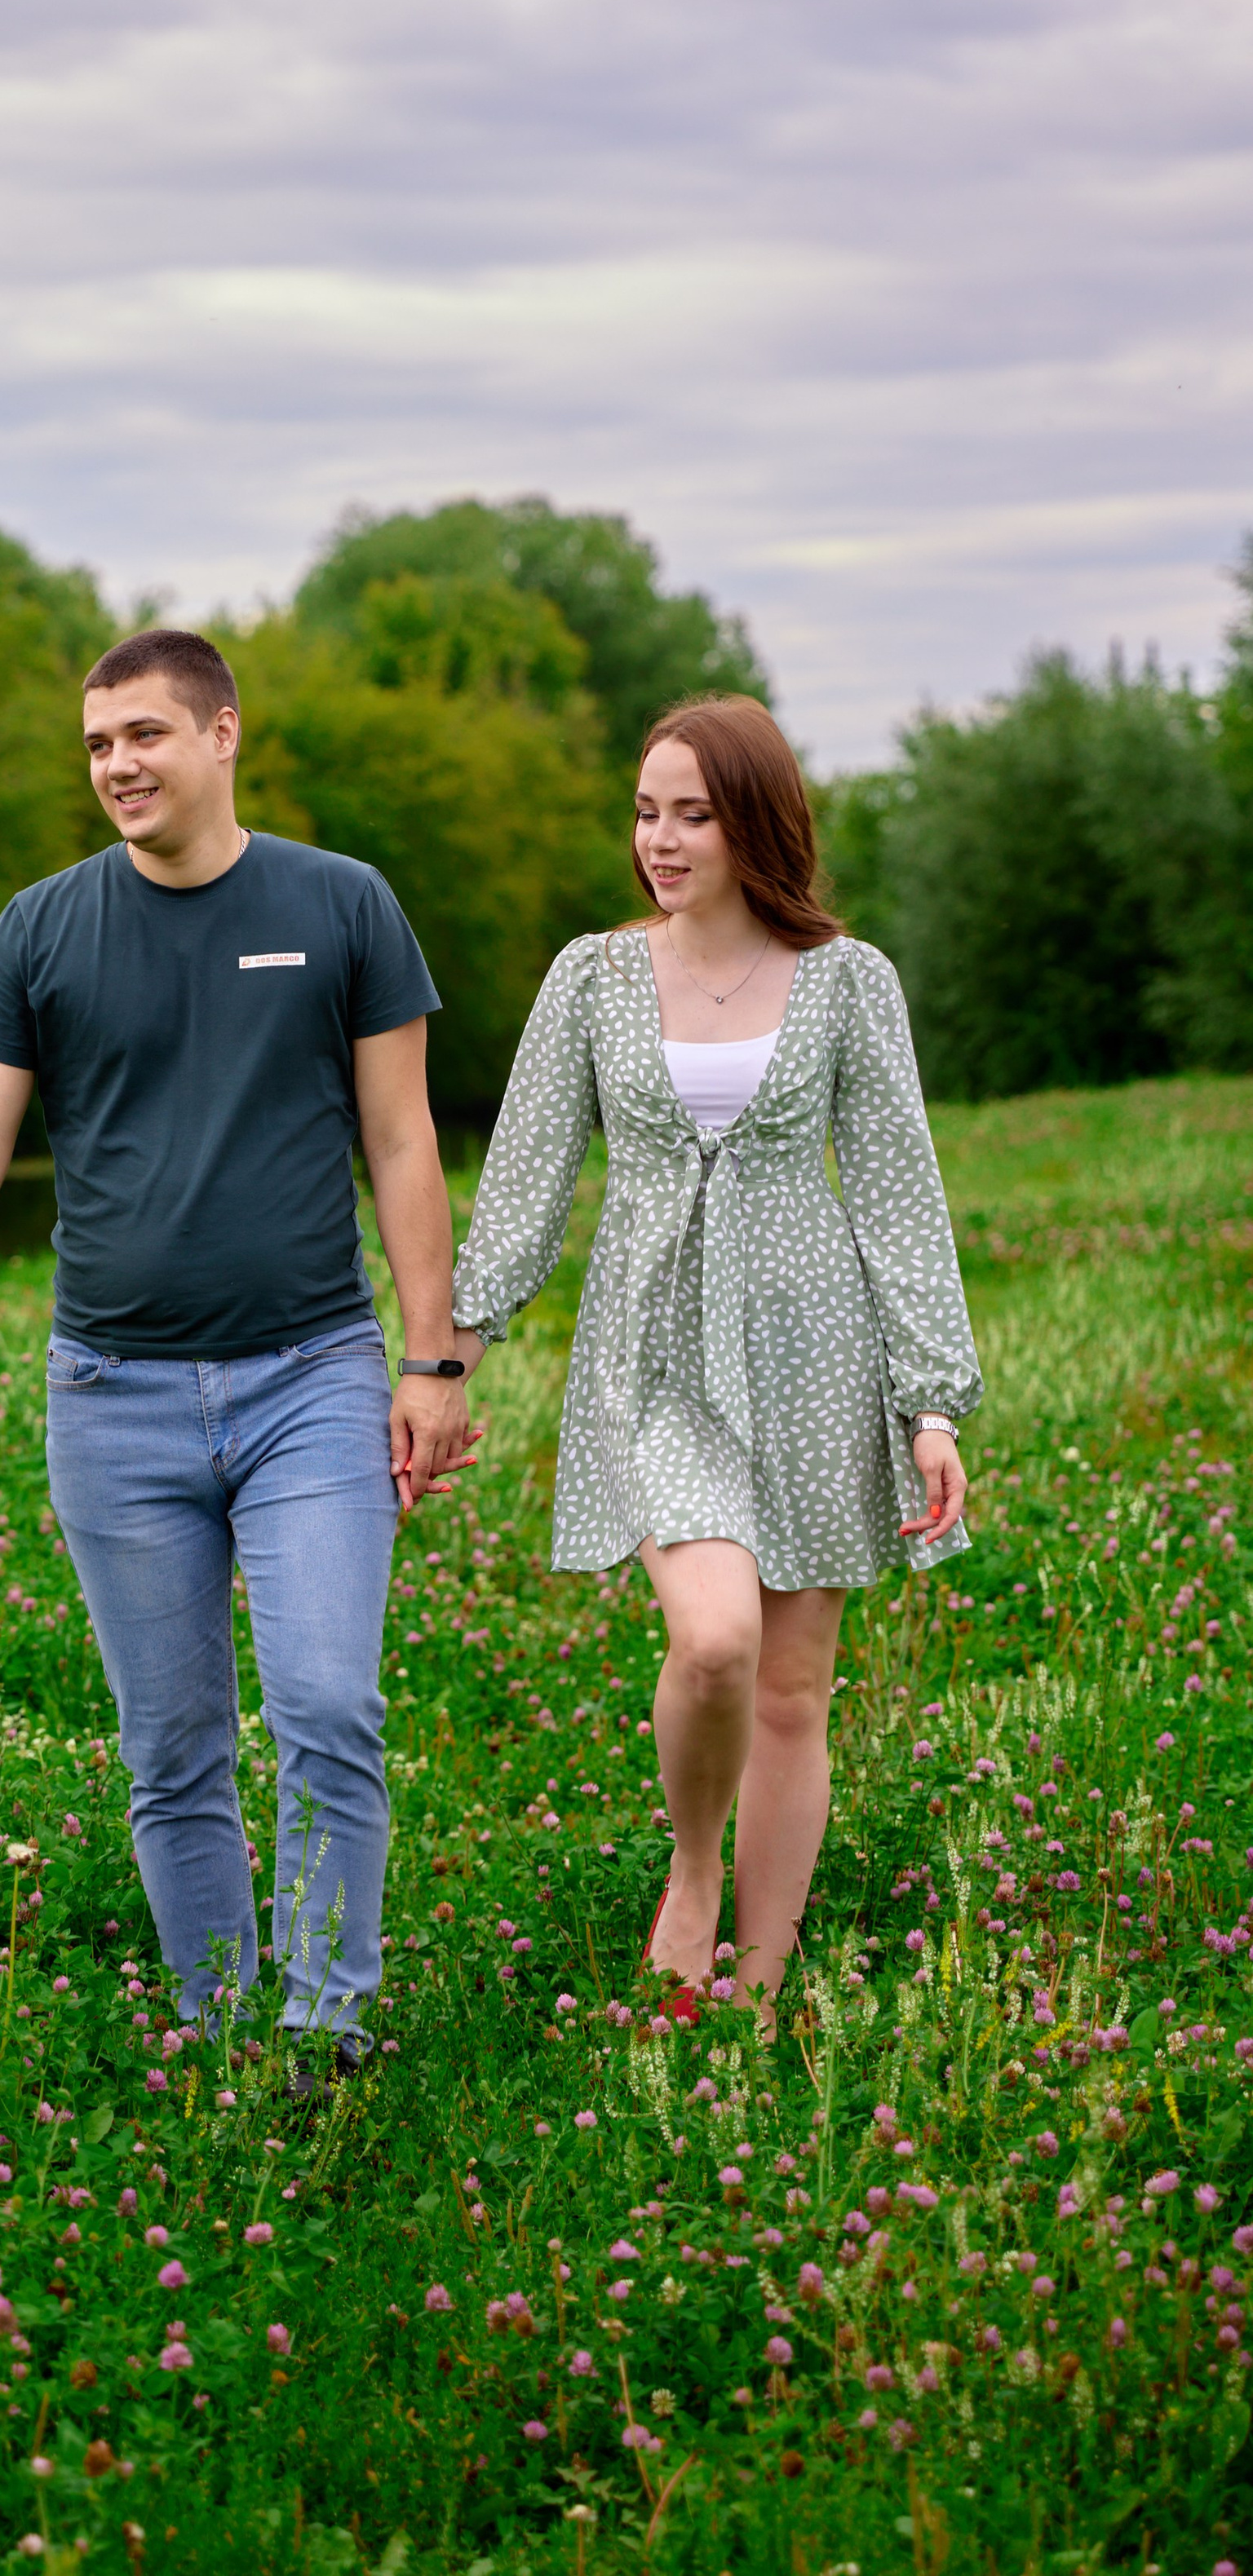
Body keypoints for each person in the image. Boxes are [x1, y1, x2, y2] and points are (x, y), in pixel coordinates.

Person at [0, 625, 474, 2078]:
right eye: (95, 745)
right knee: (174, 1750)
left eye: (144, 734)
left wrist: (432, 1360)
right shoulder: (41, 928)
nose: (117, 765)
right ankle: (222, 2031)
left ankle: (326, 2032)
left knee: (326, 1702)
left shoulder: (342, 904)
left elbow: (401, 1139)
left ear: (223, 734)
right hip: (112, 1400)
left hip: (311, 1377)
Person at [448, 692, 979, 2028]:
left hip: (818, 1351)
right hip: (657, 1357)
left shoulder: (851, 982)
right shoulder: (592, 977)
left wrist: (931, 1403)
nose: (663, 840)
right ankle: (695, 1871)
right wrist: (448, 1354)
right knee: (719, 1641)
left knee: (797, 1685)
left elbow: (901, 1194)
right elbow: (524, 1180)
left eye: (693, 813)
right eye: (647, 811)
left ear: (757, 824)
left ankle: (759, 1982)